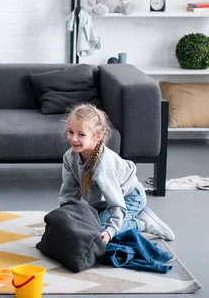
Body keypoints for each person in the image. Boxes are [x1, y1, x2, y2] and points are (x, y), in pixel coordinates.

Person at [59, 103, 175, 243]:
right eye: (70, 132)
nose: (73, 138)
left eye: (81, 134)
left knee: (99, 234)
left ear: (97, 137)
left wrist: (110, 231)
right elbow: (68, 194)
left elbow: (117, 204)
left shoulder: (104, 167)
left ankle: (142, 222)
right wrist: (66, 217)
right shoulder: (69, 157)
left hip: (129, 198)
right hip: (102, 201)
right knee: (82, 228)